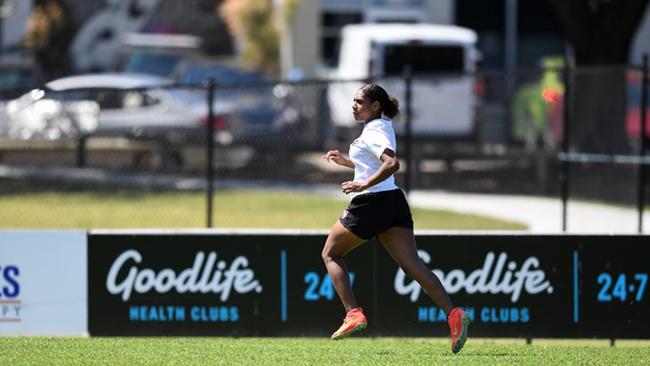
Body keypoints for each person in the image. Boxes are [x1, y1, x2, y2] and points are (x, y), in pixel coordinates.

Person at [321, 84, 470, 353]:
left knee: (330, 253)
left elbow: (392, 164)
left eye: (359, 101)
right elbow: (376, 160)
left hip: (371, 203)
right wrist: (348, 163)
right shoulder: (381, 125)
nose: (353, 105)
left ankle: (353, 313)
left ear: (375, 105)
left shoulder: (375, 130)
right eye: (353, 101)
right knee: (413, 266)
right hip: (393, 202)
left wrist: (362, 184)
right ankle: (454, 314)